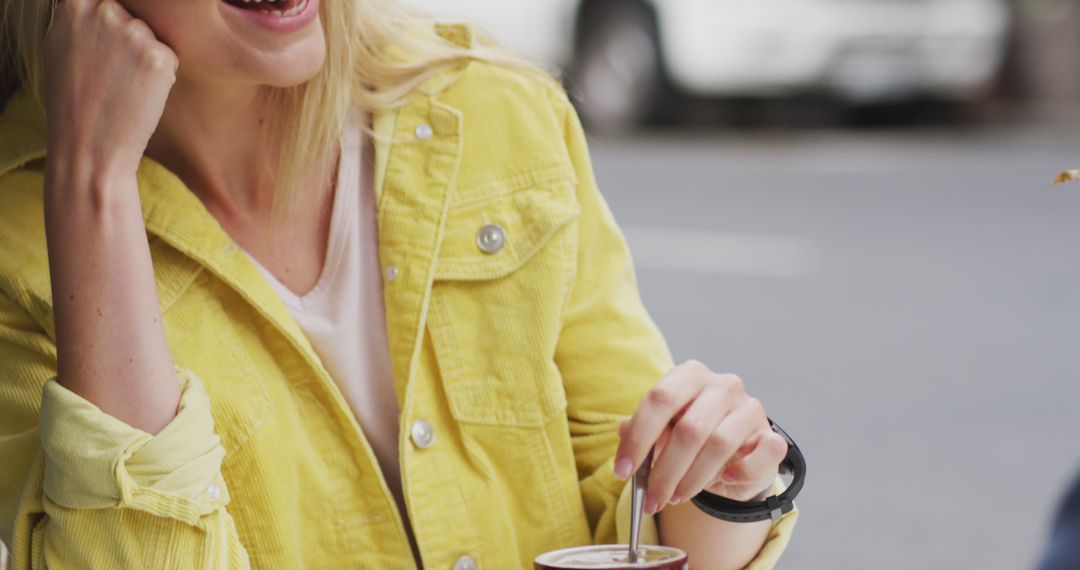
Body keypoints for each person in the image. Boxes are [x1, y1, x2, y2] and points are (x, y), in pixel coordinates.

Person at [0, 1, 798, 568]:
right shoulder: (22, 242)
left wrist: (727, 482)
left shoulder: (498, 110)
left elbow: (632, 525)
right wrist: (94, 184)